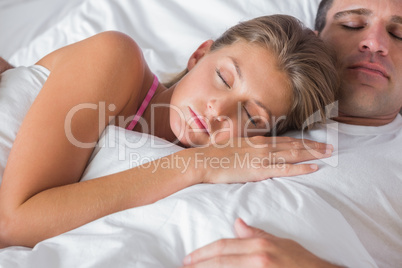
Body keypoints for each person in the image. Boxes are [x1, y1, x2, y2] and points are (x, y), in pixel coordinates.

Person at [0, 15, 338, 248]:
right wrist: (200, 164)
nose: (218, 110)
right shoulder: (117, 58)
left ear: (262, 139)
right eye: (223, 78)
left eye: (251, 115)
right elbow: (13, 223)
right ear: (198, 55)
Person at [181, 0, 402, 267]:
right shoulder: (217, 99)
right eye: (352, 25)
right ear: (317, 39)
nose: (374, 42)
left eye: (399, 34)